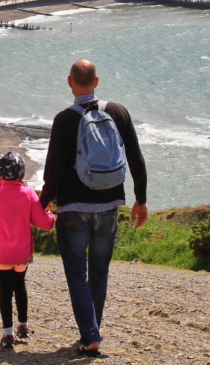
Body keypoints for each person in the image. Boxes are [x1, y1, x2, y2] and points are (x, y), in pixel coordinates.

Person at [39, 59, 148, 357]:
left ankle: (90, 334)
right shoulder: (118, 112)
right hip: (110, 206)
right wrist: (141, 199)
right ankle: (92, 332)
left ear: (70, 82)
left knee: (76, 271)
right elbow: (136, 159)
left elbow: (53, 174)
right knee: (99, 271)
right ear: (96, 82)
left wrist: (39, 205)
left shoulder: (64, 120)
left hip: (72, 208)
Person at [0, 152, 56, 350]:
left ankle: (8, 333)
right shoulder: (29, 194)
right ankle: (23, 325)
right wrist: (50, 213)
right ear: (22, 173)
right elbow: (45, 224)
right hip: (22, 253)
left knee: (5, 290)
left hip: (1, 253)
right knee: (19, 285)